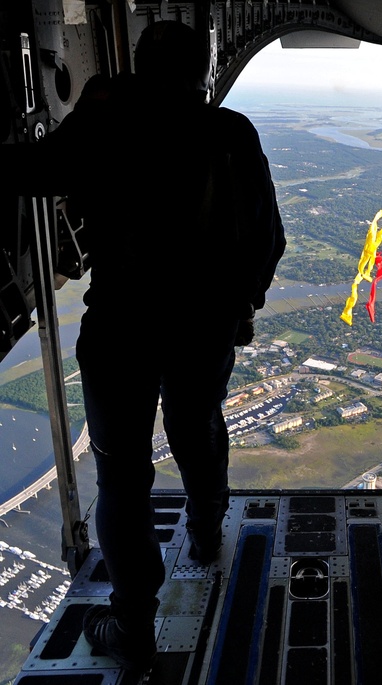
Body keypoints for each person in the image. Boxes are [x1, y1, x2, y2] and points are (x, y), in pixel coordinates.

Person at [5, 21, 284, 671]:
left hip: (122, 331)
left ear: (139, 62)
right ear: (202, 71)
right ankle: (209, 525)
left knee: (123, 477)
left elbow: (33, 170)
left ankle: (133, 622)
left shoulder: (105, 120)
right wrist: (244, 307)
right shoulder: (232, 134)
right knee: (196, 426)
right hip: (202, 327)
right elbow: (266, 239)